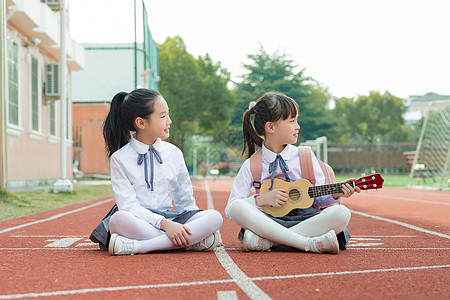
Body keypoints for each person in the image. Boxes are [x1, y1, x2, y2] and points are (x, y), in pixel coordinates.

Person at [225, 91, 360, 254]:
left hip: (308, 220)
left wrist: (336, 194)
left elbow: (320, 200)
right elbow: (231, 209)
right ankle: (308, 242)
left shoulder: (305, 156)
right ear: (271, 127)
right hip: (270, 222)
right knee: (236, 207)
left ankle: (271, 242)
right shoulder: (252, 164)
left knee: (342, 212)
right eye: (292, 121)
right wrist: (262, 199)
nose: (298, 126)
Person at [102, 88, 223, 255]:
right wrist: (167, 225)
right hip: (139, 220)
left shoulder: (174, 153)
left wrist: (190, 224)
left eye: (168, 114)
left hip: (173, 219)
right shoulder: (120, 158)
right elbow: (129, 206)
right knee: (118, 220)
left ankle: (141, 246)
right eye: (163, 116)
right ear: (141, 123)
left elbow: (185, 202)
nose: (169, 121)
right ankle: (190, 241)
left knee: (215, 217)